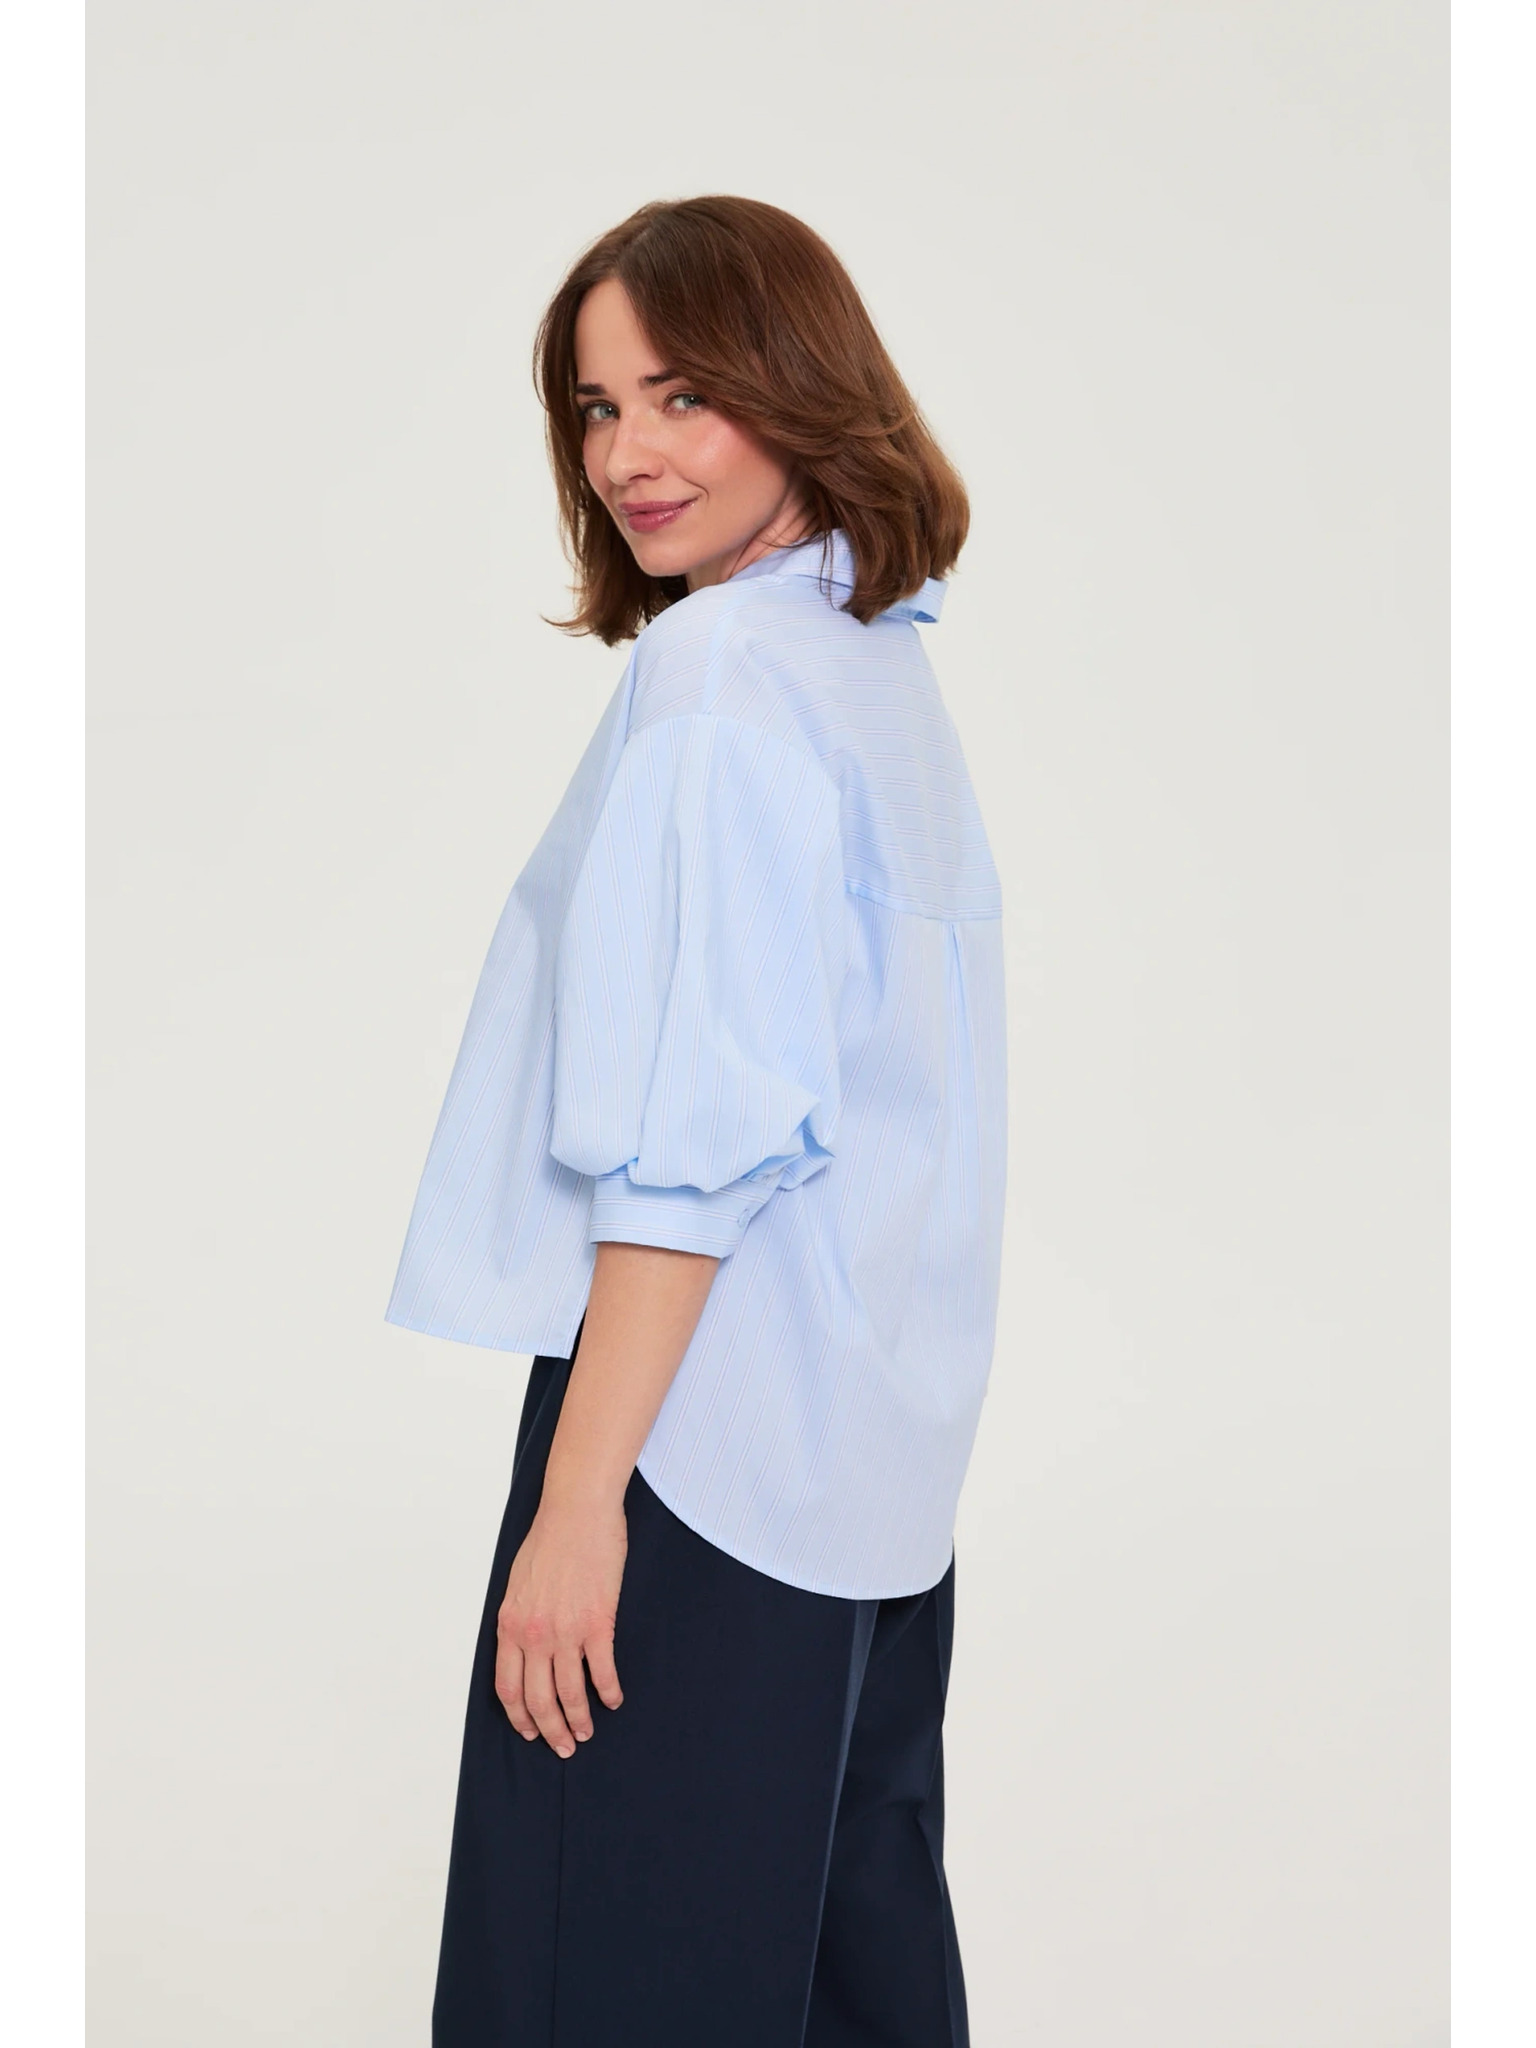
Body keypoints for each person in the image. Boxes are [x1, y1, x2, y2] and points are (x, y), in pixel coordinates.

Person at [385, 194, 1007, 2048]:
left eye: (681, 395)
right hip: (869, 1479)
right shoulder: (874, 666)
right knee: (846, 1990)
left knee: (594, 1991)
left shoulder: (723, 670)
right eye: (596, 408)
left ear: (796, 383)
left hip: (692, 1452)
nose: (629, 456)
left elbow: (699, 1133)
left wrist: (579, 1504)